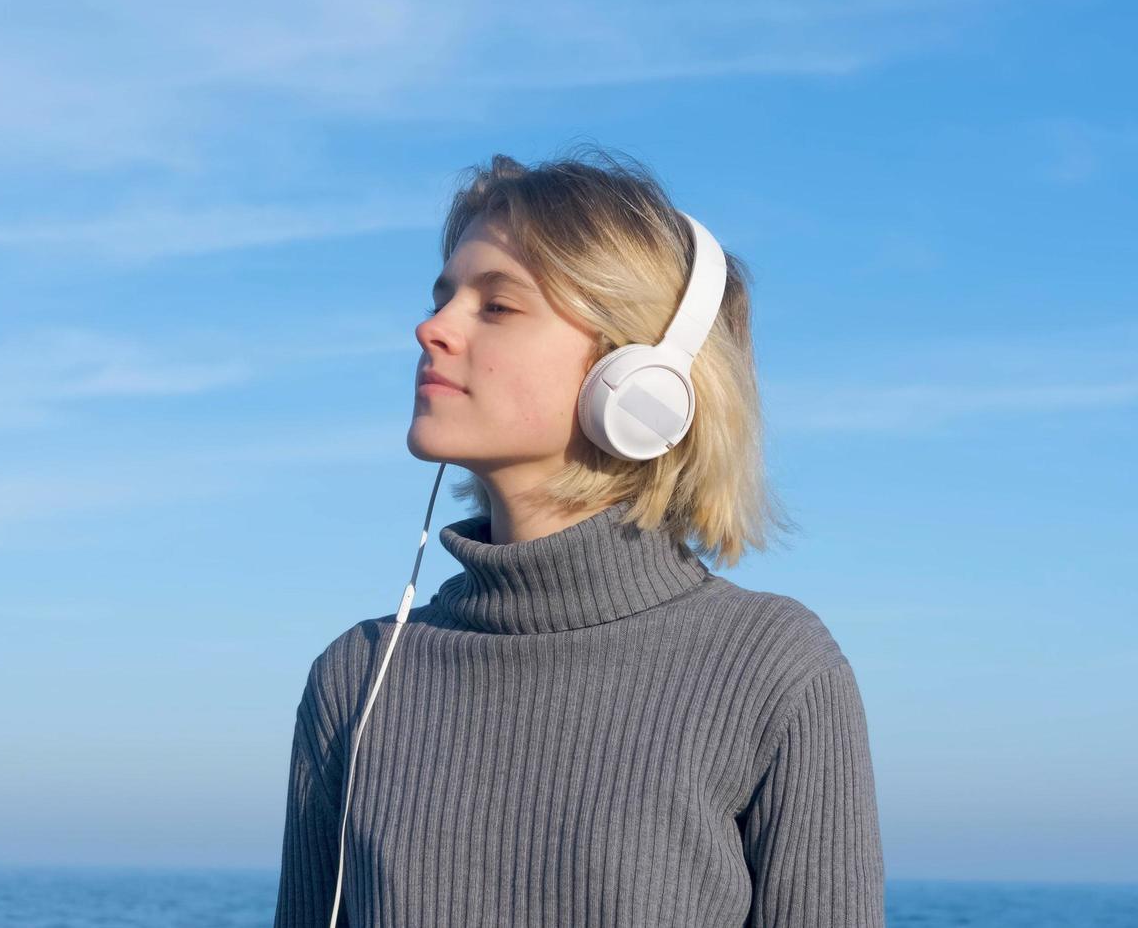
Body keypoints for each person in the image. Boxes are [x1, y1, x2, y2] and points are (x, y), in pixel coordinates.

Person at [273, 145, 885, 927]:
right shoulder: (355, 677)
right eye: (444, 297)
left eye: (495, 306)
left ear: (636, 378)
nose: (430, 328)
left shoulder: (771, 666)